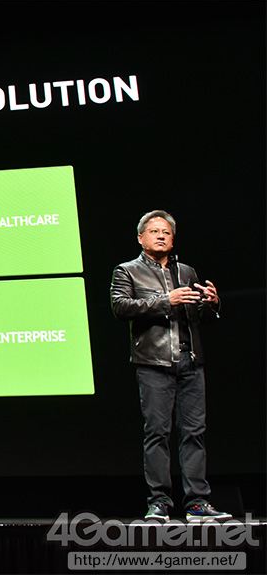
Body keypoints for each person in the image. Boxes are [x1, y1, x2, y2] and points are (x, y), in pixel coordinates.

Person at [110, 210, 231, 521]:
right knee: (157, 434)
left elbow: (199, 317)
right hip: (154, 363)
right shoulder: (127, 271)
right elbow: (120, 307)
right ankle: (160, 502)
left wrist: (212, 304)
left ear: (173, 239)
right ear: (141, 238)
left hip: (191, 362)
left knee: (194, 433)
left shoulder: (186, 271)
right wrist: (167, 301)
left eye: (166, 232)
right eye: (154, 231)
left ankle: (197, 503)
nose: (161, 235)